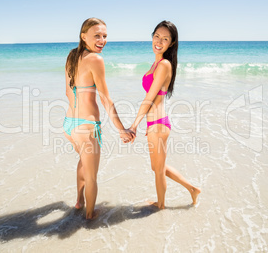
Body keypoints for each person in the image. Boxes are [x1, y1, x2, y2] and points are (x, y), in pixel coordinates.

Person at [64, 18, 135, 219]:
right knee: (92, 177)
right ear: (83, 36)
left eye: (104, 36)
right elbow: (105, 99)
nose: (102, 40)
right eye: (97, 35)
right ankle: (89, 216)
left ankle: (79, 201)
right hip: (87, 127)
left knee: (83, 163)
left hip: (69, 124)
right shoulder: (96, 59)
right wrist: (122, 129)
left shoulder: (72, 56)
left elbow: (68, 91)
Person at [129, 21, 201, 209]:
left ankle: (161, 205)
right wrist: (145, 124)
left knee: (158, 170)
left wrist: (134, 124)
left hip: (159, 125)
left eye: (165, 39)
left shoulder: (164, 65)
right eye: (157, 36)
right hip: (154, 124)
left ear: (172, 43)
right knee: (157, 168)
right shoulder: (156, 63)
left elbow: (149, 98)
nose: (159, 41)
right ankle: (192, 188)